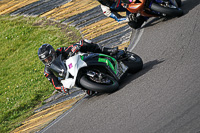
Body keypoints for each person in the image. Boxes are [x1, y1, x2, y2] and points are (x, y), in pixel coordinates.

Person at [38, 39, 118, 95]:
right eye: (45, 60)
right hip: (71, 77)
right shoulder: (47, 71)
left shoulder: (60, 51)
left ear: (52, 53)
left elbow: (70, 48)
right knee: (90, 92)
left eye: (49, 58)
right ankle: (87, 85)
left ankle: (107, 50)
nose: (48, 61)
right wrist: (61, 88)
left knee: (84, 43)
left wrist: (75, 47)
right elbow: (55, 84)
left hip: (78, 62)